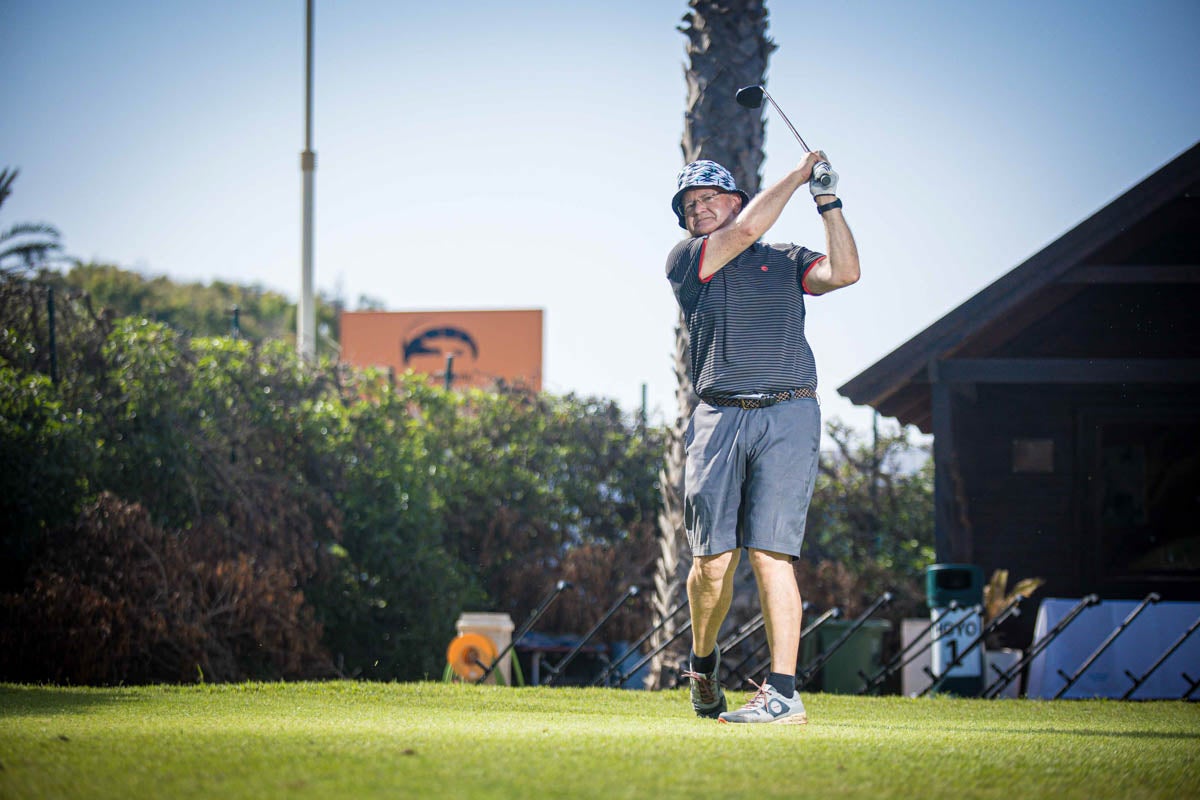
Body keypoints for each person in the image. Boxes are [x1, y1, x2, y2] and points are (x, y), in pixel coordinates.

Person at [665, 154, 860, 724]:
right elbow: (747, 230)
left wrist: (827, 200)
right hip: (718, 416)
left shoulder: (787, 258)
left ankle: (782, 694)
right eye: (689, 205)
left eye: (709, 198)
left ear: (736, 198)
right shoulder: (688, 259)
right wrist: (799, 175)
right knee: (712, 563)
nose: (698, 209)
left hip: (789, 413)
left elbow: (845, 273)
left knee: (772, 554)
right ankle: (704, 665)